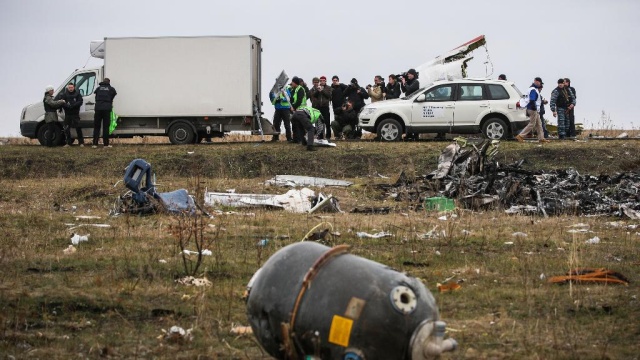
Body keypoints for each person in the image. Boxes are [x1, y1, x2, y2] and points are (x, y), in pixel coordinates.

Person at [515, 77, 550, 143]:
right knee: (532, 124)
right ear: (536, 81)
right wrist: (534, 107)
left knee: (539, 124)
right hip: (532, 109)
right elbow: (532, 99)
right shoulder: (533, 90)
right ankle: (520, 135)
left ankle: (541, 138)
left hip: (533, 108)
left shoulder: (533, 89)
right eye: (540, 83)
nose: (540, 84)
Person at [56, 82, 84, 147]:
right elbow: (62, 102)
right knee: (66, 128)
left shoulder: (77, 94)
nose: (70, 89)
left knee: (78, 128)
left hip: (75, 113)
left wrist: (74, 105)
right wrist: (67, 106)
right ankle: (68, 143)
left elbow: (80, 101)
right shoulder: (65, 94)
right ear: (67, 88)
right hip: (68, 114)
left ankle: (81, 142)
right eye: (69, 87)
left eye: (71, 87)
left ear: (74, 87)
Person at [92, 78, 117, 148]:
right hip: (106, 109)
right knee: (106, 127)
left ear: (103, 82)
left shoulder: (98, 88)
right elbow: (114, 94)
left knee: (97, 126)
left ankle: (95, 144)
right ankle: (106, 144)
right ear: (109, 82)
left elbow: (96, 96)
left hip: (98, 109)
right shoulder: (111, 89)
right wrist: (109, 101)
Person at [289, 76, 308, 144]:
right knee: (294, 124)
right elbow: (292, 99)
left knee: (299, 125)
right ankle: (295, 139)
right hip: (295, 110)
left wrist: (293, 107)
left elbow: (299, 100)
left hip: (301, 110)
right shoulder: (293, 90)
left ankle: (301, 139)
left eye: (292, 82)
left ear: (295, 83)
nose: (291, 83)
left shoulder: (301, 89)